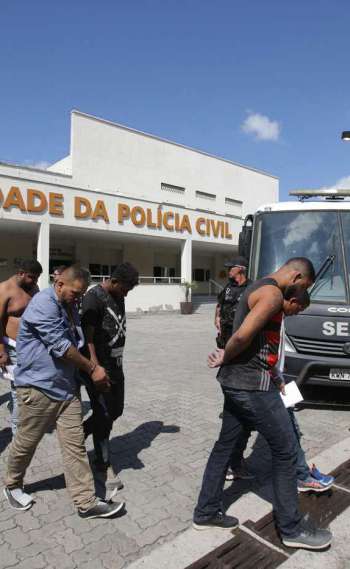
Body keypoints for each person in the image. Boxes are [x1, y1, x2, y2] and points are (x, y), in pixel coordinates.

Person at [193, 257, 332, 551]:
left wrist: (272, 374)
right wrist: (225, 355)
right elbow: (242, 335)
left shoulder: (258, 286)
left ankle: (205, 511)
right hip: (252, 386)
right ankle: (292, 528)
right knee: (284, 451)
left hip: (237, 383)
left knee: (224, 447)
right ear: (295, 277)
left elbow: (252, 340)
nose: (301, 293)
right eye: (304, 286)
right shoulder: (271, 295)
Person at [3, 265, 125, 519]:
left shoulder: (68, 304)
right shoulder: (42, 305)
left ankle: (85, 502)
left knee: (74, 446)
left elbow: (78, 340)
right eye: (75, 293)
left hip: (66, 388)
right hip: (38, 388)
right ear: (59, 284)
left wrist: (93, 369)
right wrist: (93, 368)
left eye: (81, 295)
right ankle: (12, 484)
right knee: (27, 442)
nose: (78, 299)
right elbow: (61, 347)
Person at [228, 285, 334, 492]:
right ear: (293, 301)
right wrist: (275, 376)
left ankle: (233, 465)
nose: (298, 313)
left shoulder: (279, 315)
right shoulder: (270, 311)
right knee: (290, 429)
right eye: (300, 308)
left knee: (242, 426)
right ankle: (301, 476)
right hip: (268, 381)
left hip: (274, 377)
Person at [81, 262, 139, 474]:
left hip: (116, 364)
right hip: (98, 366)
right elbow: (86, 338)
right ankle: (101, 461)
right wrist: (95, 367)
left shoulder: (119, 295)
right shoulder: (93, 297)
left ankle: (80, 432)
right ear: (114, 281)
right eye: (125, 288)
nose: (126, 293)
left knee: (116, 409)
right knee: (104, 412)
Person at [0, 259, 43, 435]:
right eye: (32, 277)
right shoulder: (4, 289)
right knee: (19, 390)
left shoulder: (33, 288)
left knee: (30, 388)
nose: (35, 281)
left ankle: (24, 418)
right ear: (21, 273)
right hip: (11, 347)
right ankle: (18, 432)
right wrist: (1, 351)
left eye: (38, 278)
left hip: (32, 348)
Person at [215, 256, 250, 349]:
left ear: (241, 269)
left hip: (240, 332)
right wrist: (217, 318)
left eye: (231, 268)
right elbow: (219, 303)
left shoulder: (251, 287)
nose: (228, 270)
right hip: (225, 332)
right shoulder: (228, 286)